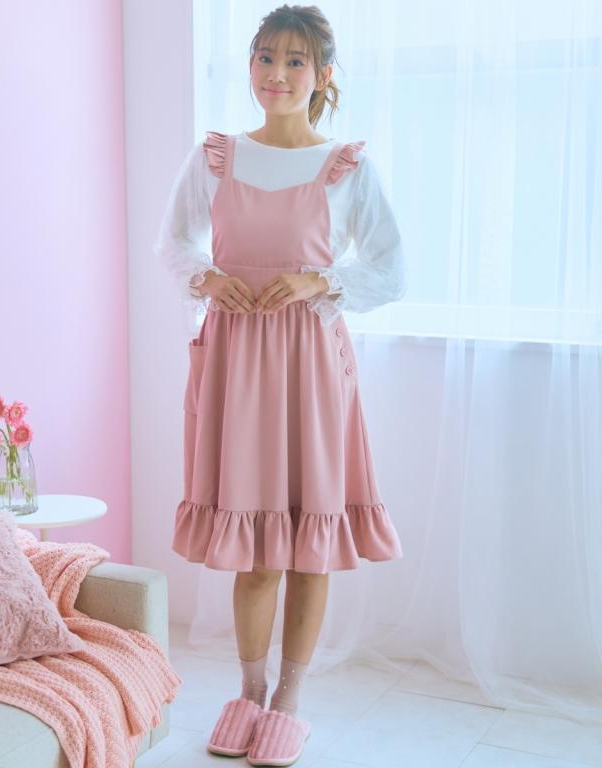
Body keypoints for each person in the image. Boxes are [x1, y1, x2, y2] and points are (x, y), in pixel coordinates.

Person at [154, 4, 406, 765]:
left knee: (307, 544)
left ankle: (290, 703)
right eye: (266, 57)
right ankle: (250, 692)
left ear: (322, 75)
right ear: (250, 66)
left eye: (296, 61)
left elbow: (390, 268)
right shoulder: (216, 158)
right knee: (258, 552)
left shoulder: (346, 168)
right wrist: (207, 277)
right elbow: (173, 242)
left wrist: (319, 281)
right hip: (236, 361)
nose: (278, 74)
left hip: (311, 366)